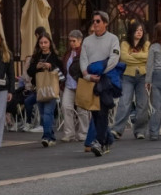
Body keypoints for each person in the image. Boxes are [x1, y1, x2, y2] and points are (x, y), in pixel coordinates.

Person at [80, 10, 122, 157]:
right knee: (95, 112)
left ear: (105, 23)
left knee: (102, 110)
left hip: (106, 79)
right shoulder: (87, 41)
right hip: (92, 79)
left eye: (98, 21)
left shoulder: (113, 39)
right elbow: (83, 59)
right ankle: (108, 138)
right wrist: (86, 75)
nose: (95, 24)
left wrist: (102, 71)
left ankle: (99, 142)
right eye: (94, 21)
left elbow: (114, 59)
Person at [112, 20, 150, 140]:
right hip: (127, 76)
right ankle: (117, 130)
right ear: (132, 31)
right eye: (137, 30)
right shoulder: (124, 43)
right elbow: (123, 57)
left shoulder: (146, 44)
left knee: (142, 104)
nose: (139, 32)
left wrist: (133, 56)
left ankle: (140, 131)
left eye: (141, 30)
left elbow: (148, 57)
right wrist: (140, 59)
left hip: (142, 76)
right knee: (124, 102)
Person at [27, 31, 63, 147]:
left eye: (45, 42)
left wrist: (50, 66)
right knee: (43, 113)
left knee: (48, 112)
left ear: (50, 43)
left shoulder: (54, 56)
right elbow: (29, 72)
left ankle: (46, 137)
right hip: (39, 88)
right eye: (41, 42)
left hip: (51, 87)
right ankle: (51, 137)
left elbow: (61, 72)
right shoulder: (36, 57)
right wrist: (36, 67)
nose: (43, 44)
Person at [60, 30, 90, 143]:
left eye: (74, 41)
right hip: (68, 84)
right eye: (70, 41)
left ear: (80, 40)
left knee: (82, 109)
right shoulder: (68, 53)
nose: (72, 43)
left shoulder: (84, 52)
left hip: (80, 83)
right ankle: (69, 133)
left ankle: (83, 133)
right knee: (65, 107)